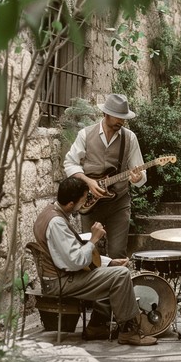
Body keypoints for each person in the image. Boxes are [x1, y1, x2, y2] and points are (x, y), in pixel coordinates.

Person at [33, 176, 157, 345]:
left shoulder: (51, 211)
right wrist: (94, 239)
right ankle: (129, 331)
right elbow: (75, 261)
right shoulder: (56, 223)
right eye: (83, 200)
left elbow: (71, 253)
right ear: (71, 204)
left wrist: (109, 262)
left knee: (115, 271)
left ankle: (97, 326)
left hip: (62, 276)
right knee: (120, 275)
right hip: (60, 282)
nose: (85, 203)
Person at [64, 93, 145, 259]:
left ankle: (116, 284)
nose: (121, 122)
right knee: (91, 255)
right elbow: (69, 163)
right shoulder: (85, 134)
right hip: (89, 202)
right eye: (117, 117)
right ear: (105, 114)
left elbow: (140, 172)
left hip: (119, 203)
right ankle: (96, 285)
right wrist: (88, 181)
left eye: (124, 118)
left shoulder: (130, 138)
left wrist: (138, 178)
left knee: (117, 254)